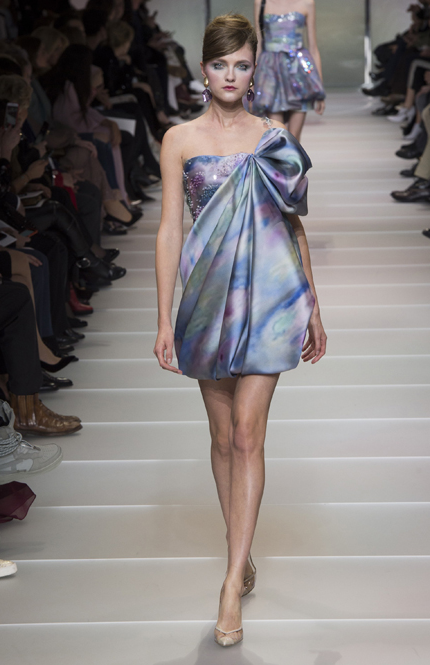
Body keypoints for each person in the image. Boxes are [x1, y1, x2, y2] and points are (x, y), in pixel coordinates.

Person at [154, 13, 327, 648]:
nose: (231, 75)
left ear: (256, 71)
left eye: (242, 65)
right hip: (207, 300)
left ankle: (230, 582)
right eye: (220, 64)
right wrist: (163, 315)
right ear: (204, 69)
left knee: (248, 434)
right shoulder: (179, 139)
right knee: (223, 437)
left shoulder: (274, 137)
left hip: (272, 298)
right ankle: (241, 550)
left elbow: (293, 223)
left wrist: (313, 304)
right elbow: (169, 228)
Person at [252, 0, 325, 140]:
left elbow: (313, 48)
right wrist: (252, 83)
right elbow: (258, 45)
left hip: (299, 73)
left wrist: (319, 90)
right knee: (277, 138)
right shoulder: (260, 2)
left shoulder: (307, 3)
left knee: (294, 139)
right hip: (270, 73)